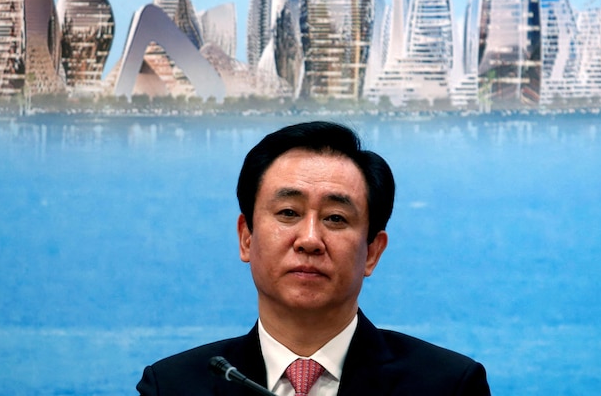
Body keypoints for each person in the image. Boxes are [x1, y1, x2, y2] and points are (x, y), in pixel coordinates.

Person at [137, 121, 490, 395]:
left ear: (372, 252)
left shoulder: (448, 386)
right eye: (288, 212)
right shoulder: (172, 386)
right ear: (246, 237)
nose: (309, 240)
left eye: (336, 219)